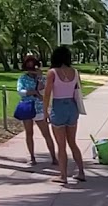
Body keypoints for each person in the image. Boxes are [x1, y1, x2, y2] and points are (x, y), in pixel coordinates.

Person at [43, 46, 86, 184]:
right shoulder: (75, 72)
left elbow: (47, 93)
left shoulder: (52, 72)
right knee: (72, 142)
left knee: (61, 145)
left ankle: (63, 175)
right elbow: (78, 89)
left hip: (59, 106)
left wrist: (45, 111)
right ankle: (81, 172)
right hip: (72, 107)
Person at [16, 54, 56, 165]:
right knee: (29, 133)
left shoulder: (42, 78)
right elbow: (20, 91)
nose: (31, 68)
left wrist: (39, 78)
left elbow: (44, 90)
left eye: (33, 65)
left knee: (46, 134)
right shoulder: (23, 78)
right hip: (27, 107)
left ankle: (54, 157)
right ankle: (32, 157)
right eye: (29, 66)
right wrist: (32, 92)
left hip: (39, 108)